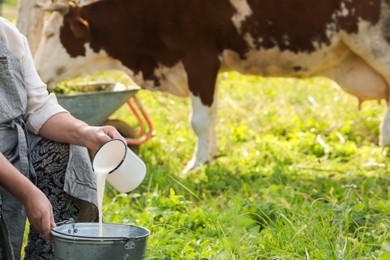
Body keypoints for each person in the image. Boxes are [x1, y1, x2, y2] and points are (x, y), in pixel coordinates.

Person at [0, 16, 125, 259]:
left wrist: (88, 134)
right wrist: (28, 192)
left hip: (10, 145)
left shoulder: (7, 34)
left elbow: (37, 108)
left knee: (67, 153)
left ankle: (49, 254)